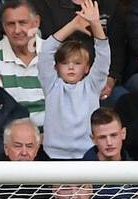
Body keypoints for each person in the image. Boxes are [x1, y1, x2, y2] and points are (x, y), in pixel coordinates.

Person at [38, 0, 110, 161]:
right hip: (53, 155)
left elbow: (104, 58)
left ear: (87, 68)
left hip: (87, 154)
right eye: (65, 63)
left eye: (77, 63)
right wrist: (73, 24)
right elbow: (46, 52)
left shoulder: (92, 86)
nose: (71, 67)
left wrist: (95, 23)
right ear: (56, 67)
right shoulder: (51, 85)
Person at [0, 0, 46, 129]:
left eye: (23, 23)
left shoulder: (52, 52)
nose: (17, 30)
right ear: (4, 27)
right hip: (9, 136)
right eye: (11, 24)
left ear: (36, 22)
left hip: (52, 135)